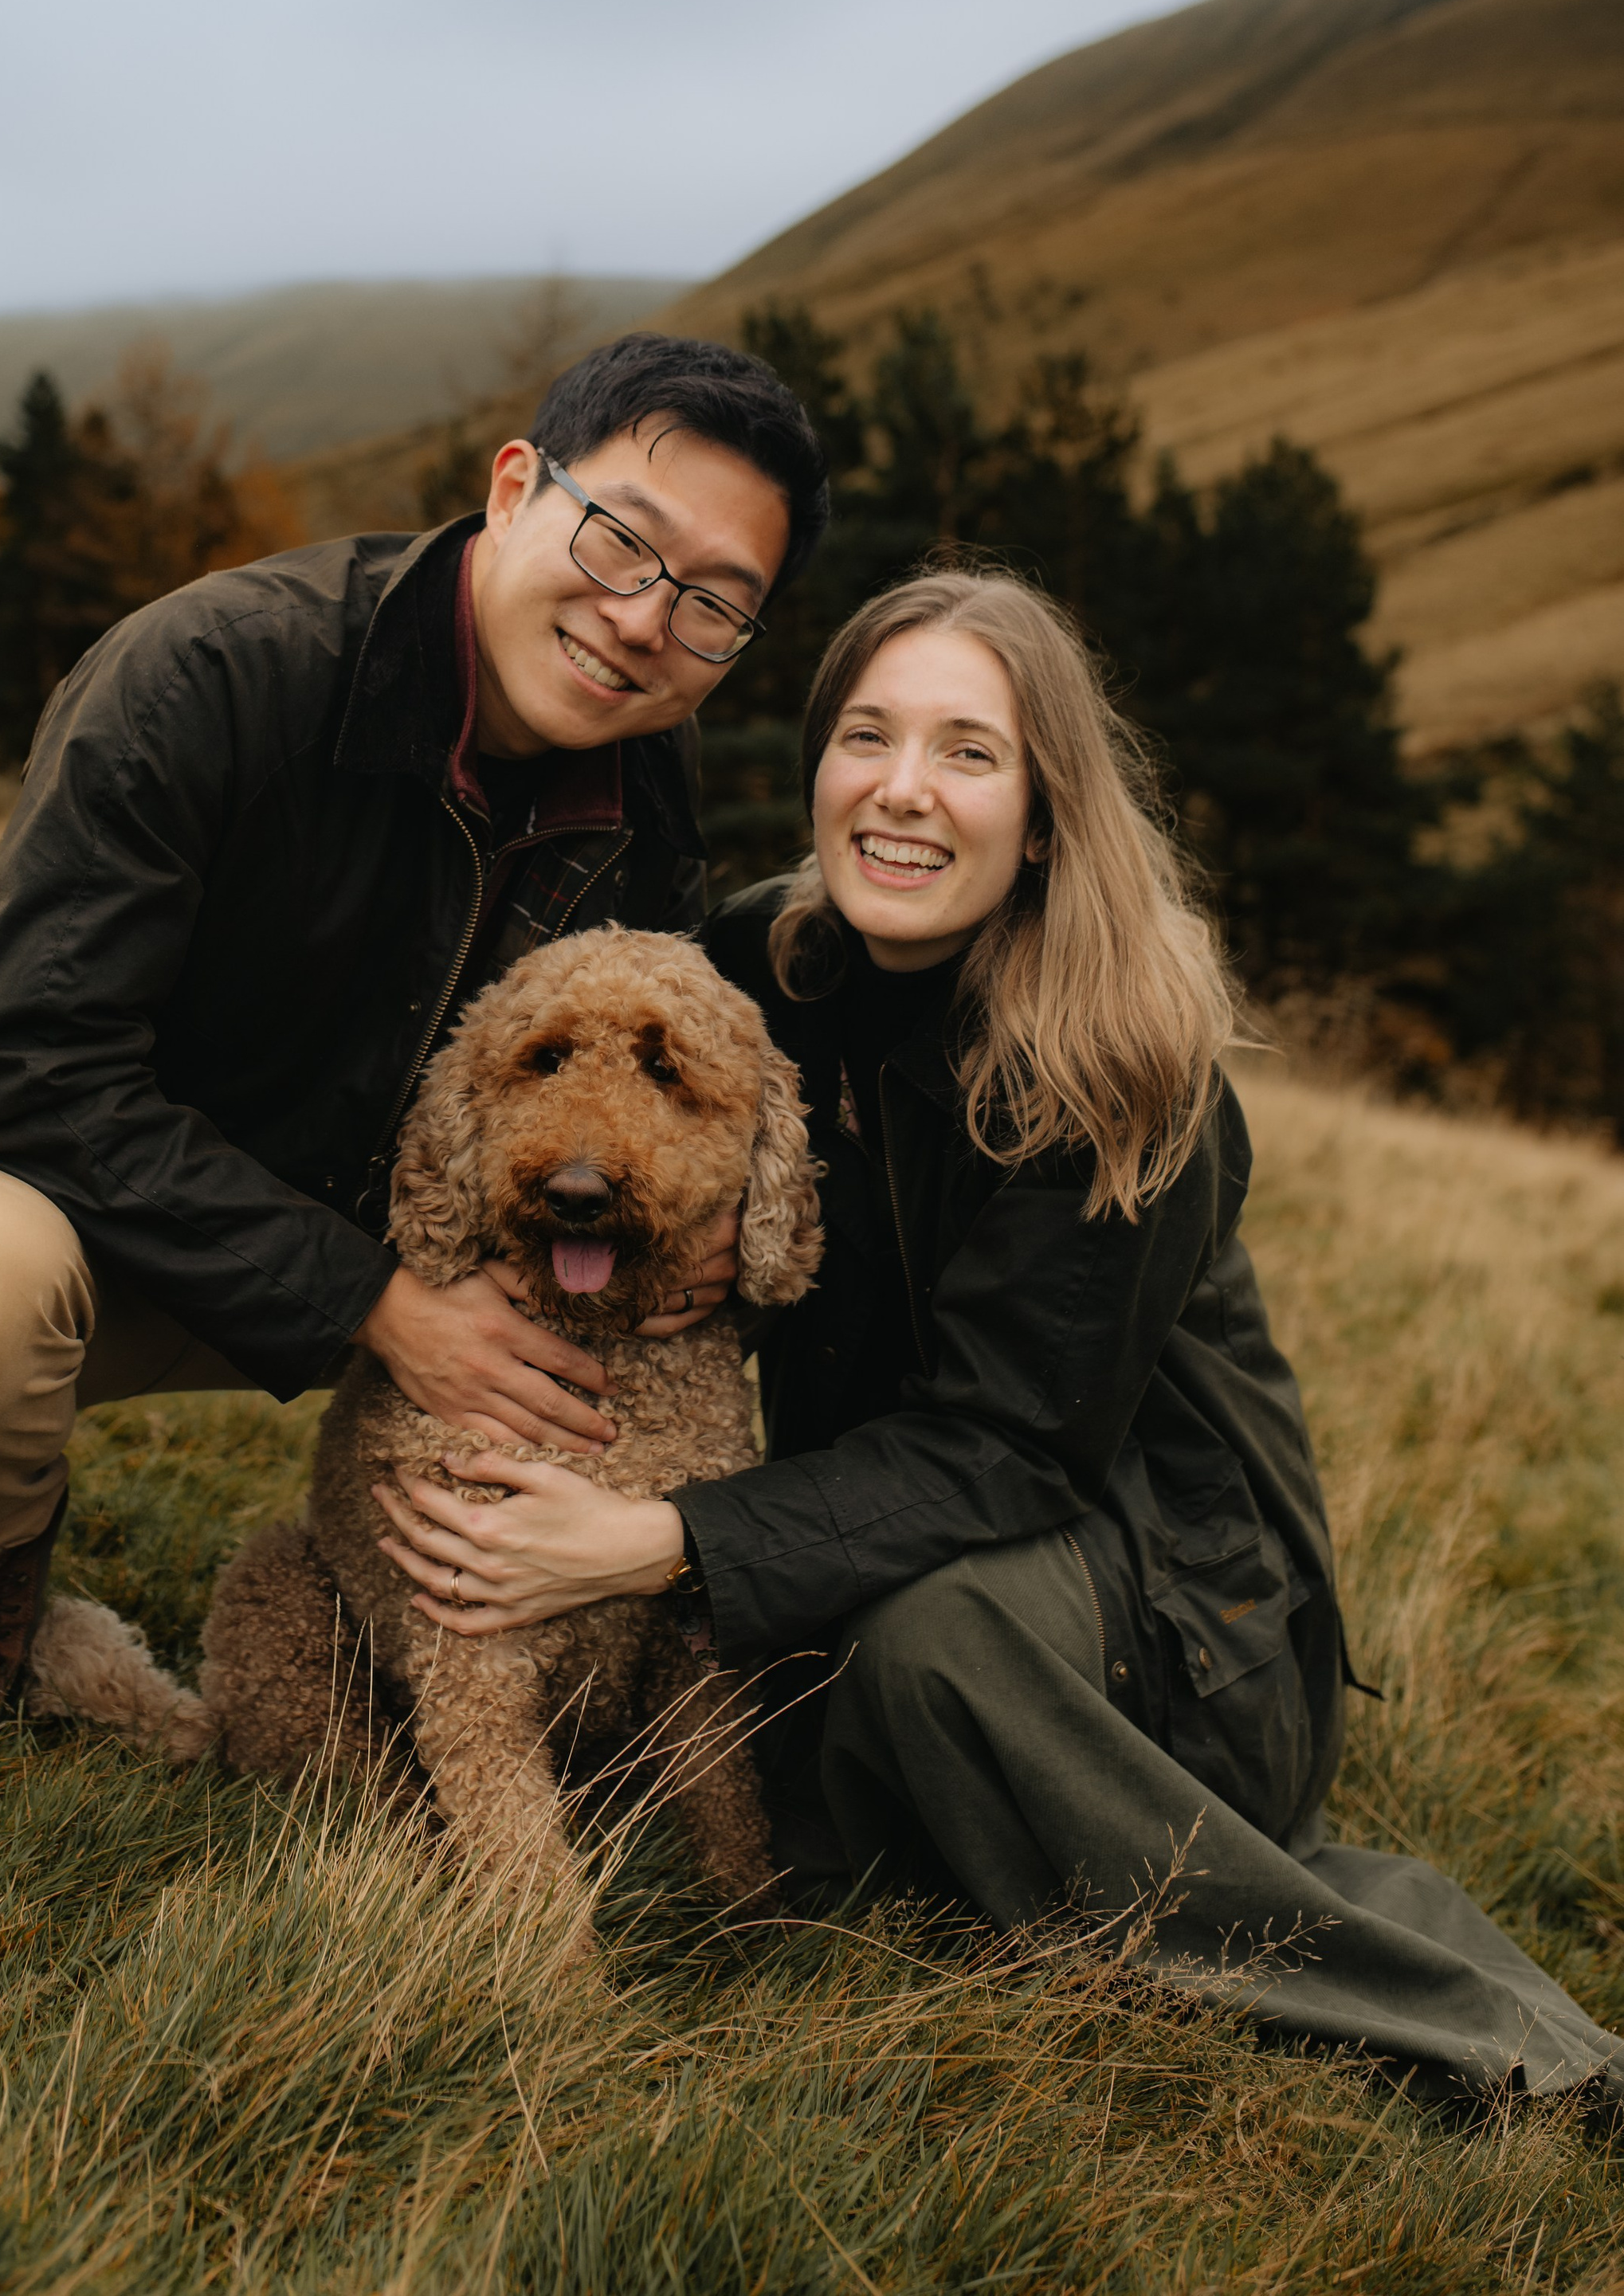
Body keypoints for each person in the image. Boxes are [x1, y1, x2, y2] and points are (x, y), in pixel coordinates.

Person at [374, 565, 1624, 2105]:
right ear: (819, 766)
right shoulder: (772, 968)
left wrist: (646, 1541)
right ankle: (950, 1859)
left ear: (1045, 812)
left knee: (924, 1648)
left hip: (1175, 1625)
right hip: (879, 1536)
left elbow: (1009, 1449)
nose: (903, 792)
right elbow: (634, 1113)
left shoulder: (1121, 1066)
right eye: (868, 738)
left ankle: (1517, 2050)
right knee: (794, 1748)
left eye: (969, 752)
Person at [0, 332, 828, 1745]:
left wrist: (700, 1242)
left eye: (712, 607)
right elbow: (18, 1063)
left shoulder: (644, 763)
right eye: (624, 541)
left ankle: (567, 1673)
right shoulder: (210, 671)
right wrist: (374, 1302)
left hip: (397, 1232)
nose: (642, 621)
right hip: (63, 1190)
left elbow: (651, 1051)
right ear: (515, 489)